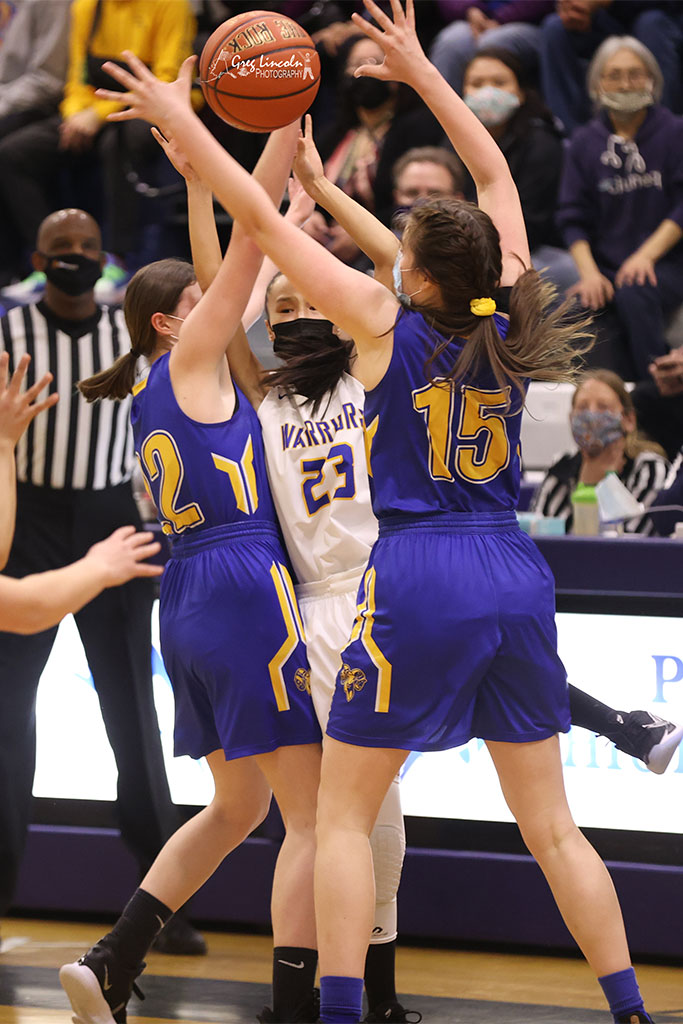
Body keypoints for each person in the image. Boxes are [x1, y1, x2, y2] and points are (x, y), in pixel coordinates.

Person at [100, 6, 657, 1020]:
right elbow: (491, 180)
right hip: (510, 561)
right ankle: (628, 1008)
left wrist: (195, 144)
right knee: (553, 829)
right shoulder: (511, 306)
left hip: (412, 570)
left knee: (342, 821)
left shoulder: (376, 325)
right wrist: (423, 76)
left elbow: (259, 234)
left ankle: (344, 1009)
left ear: (417, 274)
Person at [61, 125, 323, 1024]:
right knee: (312, 816)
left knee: (236, 803)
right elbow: (247, 253)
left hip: (188, 596)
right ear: (174, 322)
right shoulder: (190, 360)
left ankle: (110, 959)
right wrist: (274, 137)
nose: (227, 303)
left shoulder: (148, 393)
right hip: (249, 581)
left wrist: (278, 208)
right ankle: (295, 1009)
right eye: (206, 300)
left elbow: (254, 244)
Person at [150, 121, 411, 1022]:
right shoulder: (257, 395)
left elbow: (389, 285)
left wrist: (309, 199)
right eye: (284, 311)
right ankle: (353, 994)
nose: (294, 317)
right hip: (307, 611)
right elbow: (224, 288)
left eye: (310, 308)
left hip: (375, 598)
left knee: (366, 814)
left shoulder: (365, 377)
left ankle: (366, 989)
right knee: (356, 816)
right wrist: (214, 199)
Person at [0, 207, 204, 956]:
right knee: (6, 722)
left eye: (87, 247)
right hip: (25, 522)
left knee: (135, 718)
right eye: (62, 248)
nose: (76, 257)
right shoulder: (8, 330)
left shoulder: (135, 333)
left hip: (113, 522)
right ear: (38, 258)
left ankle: (162, 905)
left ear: (103, 258)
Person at [0, 0, 197, 306]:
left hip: (151, 107)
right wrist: (74, 115)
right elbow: (77, 76)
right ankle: (51, 260)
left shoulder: (171, 5)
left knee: (117, 141)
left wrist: (99, 115)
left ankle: (117, 261)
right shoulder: (86, 6)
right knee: (14, 154)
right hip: (89, 110)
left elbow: (166, 79)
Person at [0, 350, 163, 632]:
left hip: (106, 501)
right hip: (39, 513)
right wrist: (99, 566)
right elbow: (26, 609)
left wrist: (4, 443)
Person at [557, 36, 683, 381]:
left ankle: (657, 388)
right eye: (614, 75)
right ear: (598, 83)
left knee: (634, 290)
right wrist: (589, 275)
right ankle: (610, 398)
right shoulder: (583, 142)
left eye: (635, 74)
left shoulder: (675, 132)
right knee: (578, 309)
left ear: (653, 80)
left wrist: (645, 257)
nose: (625, 83)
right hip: (607, 266)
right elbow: (571, 217)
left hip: (668, 264)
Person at [461, 46, 578, 292]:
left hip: (530, 248)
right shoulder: (452, 141)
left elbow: (532, 223)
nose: (488, 91)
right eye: (477, 83)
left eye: (499, 82)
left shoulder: (542, 143)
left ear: (522, 93)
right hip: (465, 244)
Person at [531, 369, 669, 533]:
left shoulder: (650, 469)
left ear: (629, 420)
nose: (591, 415)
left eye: (603, 407)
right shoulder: (561, 466)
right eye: (582, 407)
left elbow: (629, 542)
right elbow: (536, 532)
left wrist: (603, 481)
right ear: (571, 418)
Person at [0, 0, 71, 290]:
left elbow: (48, 81)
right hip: (13, 102)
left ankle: (46, 266)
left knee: (10, 154)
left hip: (47, 106)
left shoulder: (52, 3)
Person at [539, 0, 683, 135]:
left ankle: (660, 132)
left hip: (658, 15)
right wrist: (573, 8)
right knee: (554, 27)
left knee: (651, 23)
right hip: (602, 18)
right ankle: (573, 136)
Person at [430, 0, 554, 95]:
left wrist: (501, 19)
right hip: (474, 19)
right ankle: (443, 119)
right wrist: (470, 9)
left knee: (490, 43)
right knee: (452, 42)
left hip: (531, 23)